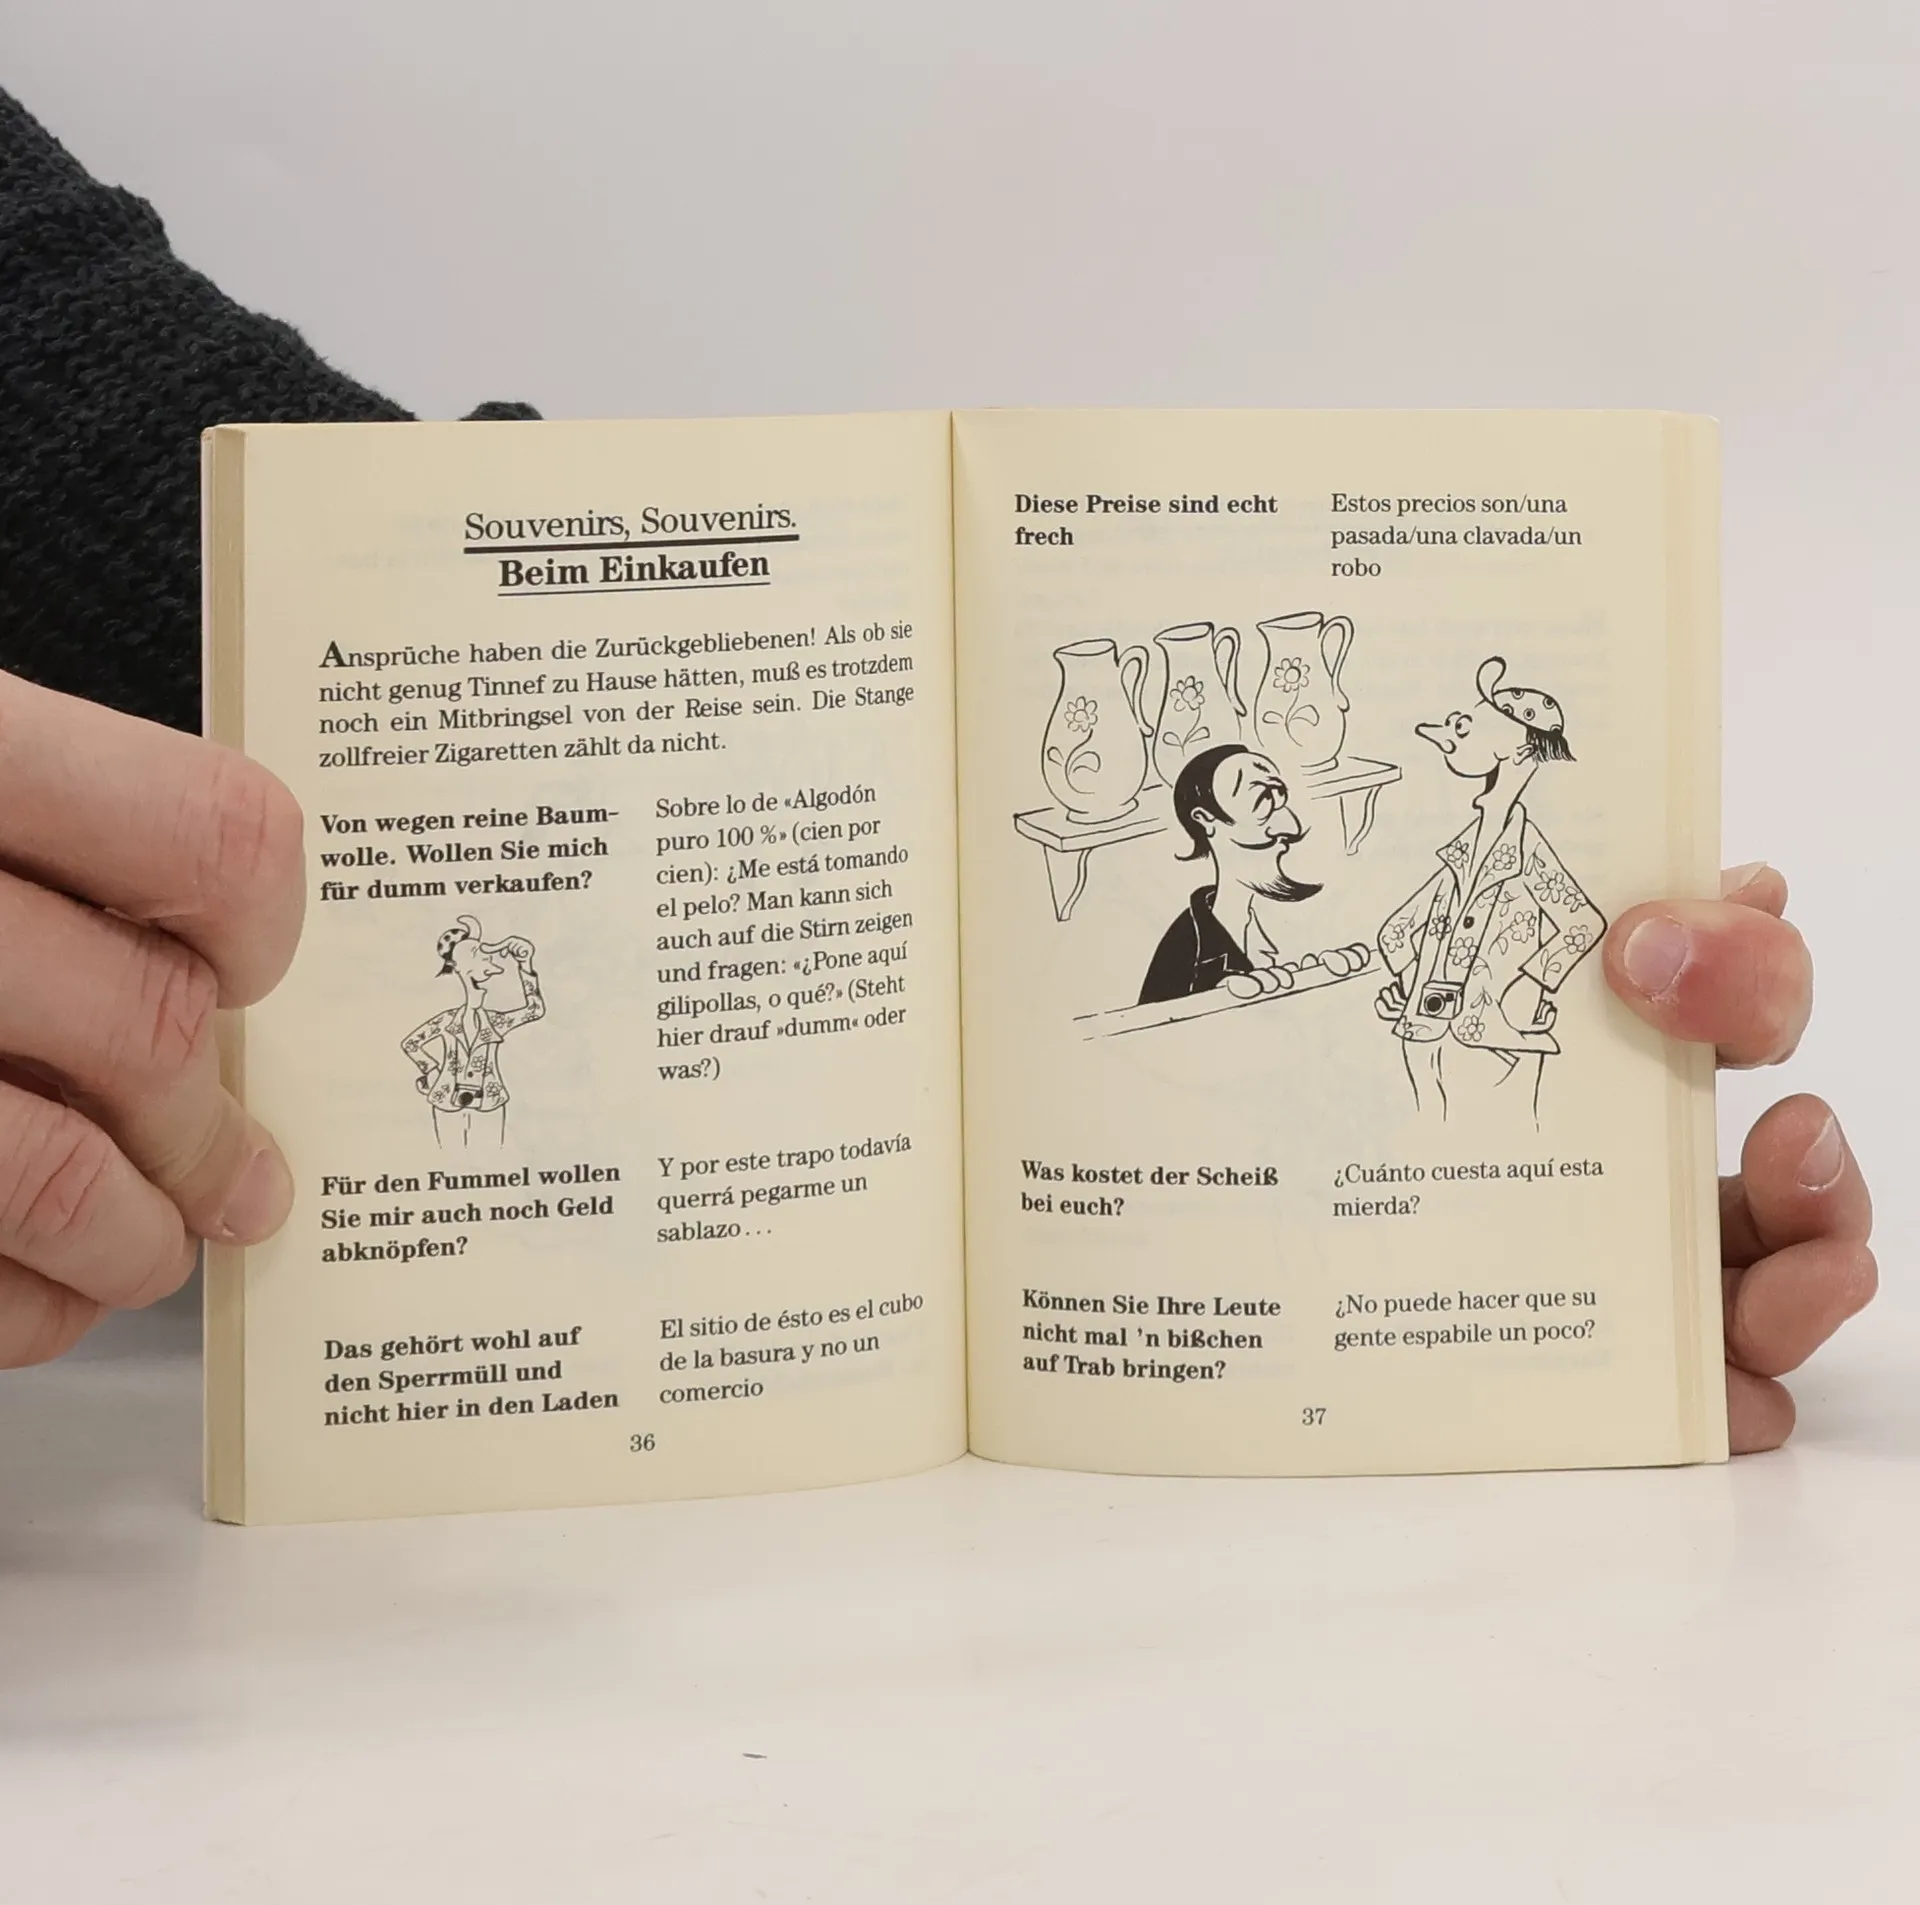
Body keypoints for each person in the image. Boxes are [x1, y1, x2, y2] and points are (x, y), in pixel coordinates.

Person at [0, 89, 1874, 1452]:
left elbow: (79, 379)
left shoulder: (1346, 909)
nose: (1299, 806)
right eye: (1260, 795)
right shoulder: (1191, 944)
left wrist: (1540, 1210)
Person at [1376, 657, 1606, 1121]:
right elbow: (1395, 931)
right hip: (1423, 1037)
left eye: (1476, 727)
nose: (1458, 733)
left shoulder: (1527, 851)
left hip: (1495, 1042)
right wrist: (1407, 983)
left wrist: (1530, 985)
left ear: (1519, 752)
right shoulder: (1462, 849)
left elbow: (1583, 924)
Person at [1139, 744, 1324, 1003]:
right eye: (1261, 803)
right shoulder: (1186, 948)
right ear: (1206, 819)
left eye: (1280, 796)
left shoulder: (1280, 928)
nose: (1291, 827)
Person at [402, 918, 546, 1149]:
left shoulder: (495, 1021)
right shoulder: (447, 1020)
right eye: (478, 956)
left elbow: (534, 1010)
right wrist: (432, 1071)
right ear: (457, 965)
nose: (488, 963)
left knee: (492, 1156)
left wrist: (525, 965)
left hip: (489, 1101)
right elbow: (411, 1044)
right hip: (446, 1101)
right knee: (447, 1156)